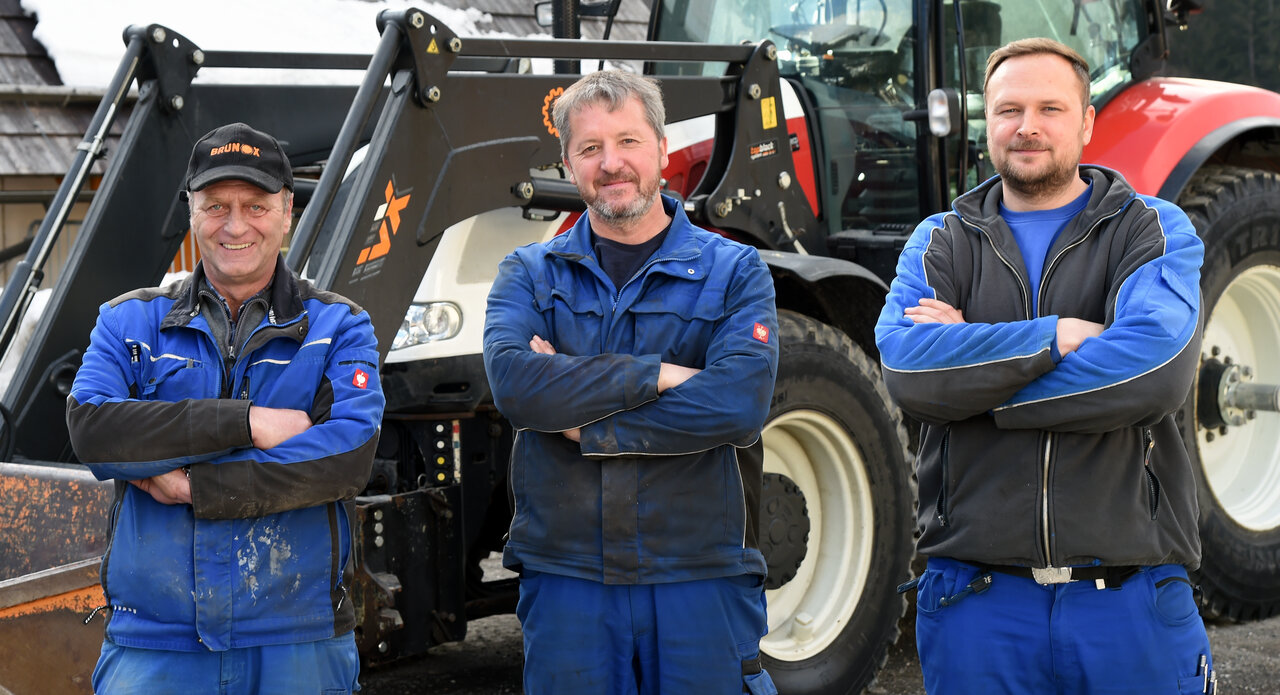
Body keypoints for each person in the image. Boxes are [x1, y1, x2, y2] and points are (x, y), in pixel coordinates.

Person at [875, 38, 1214, 694]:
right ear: (986, 125)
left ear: (1086, 122)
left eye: (1049, 108)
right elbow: (908, 369)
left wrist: (976, 379)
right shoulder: (941, 240)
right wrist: (1055, 334)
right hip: (978, 603)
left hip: (1127, 600)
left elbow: (1152, 369)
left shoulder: (1150, 228)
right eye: (1008, 110)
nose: (1026, 126)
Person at [482, 70, 780, 695]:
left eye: (628, 142)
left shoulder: (732, 271)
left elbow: (736, 405)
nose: (611, 163)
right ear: (568, 163)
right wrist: (661, 375)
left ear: (663, 150)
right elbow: (516, 386)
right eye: (590, 149)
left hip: (697, 571)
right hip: (569, 578)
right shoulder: (530, 273)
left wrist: (583, 422)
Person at [66, 122, 385, 694]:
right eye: (216, 206)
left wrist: (195, 486)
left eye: (255, 206)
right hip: (156, 638)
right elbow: (94, 430)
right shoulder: (129, 321)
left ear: (287, 210)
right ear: (192, 210)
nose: (235, 226)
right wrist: (247, 422)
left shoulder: (339, 326)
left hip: (297, 635)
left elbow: (347, 456)